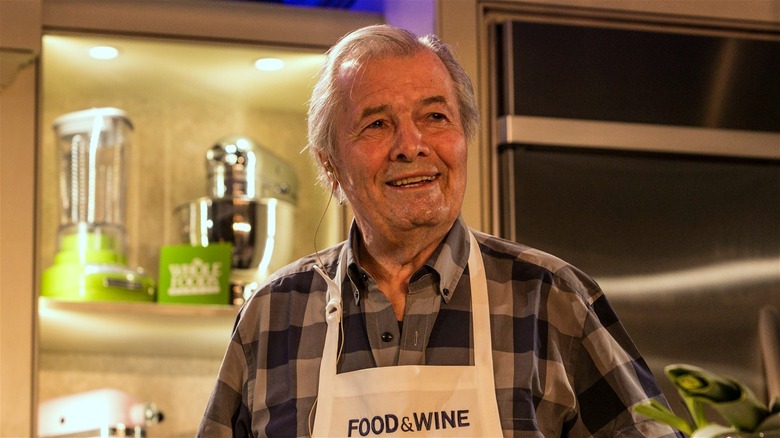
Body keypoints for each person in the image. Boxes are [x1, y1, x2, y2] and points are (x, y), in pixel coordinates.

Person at [198, 24, 680, 437]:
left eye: (435, 117)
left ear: (463, 138)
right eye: (377, 124)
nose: (411, 145)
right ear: (330, 166)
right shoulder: (270, 317)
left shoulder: (552, 300)